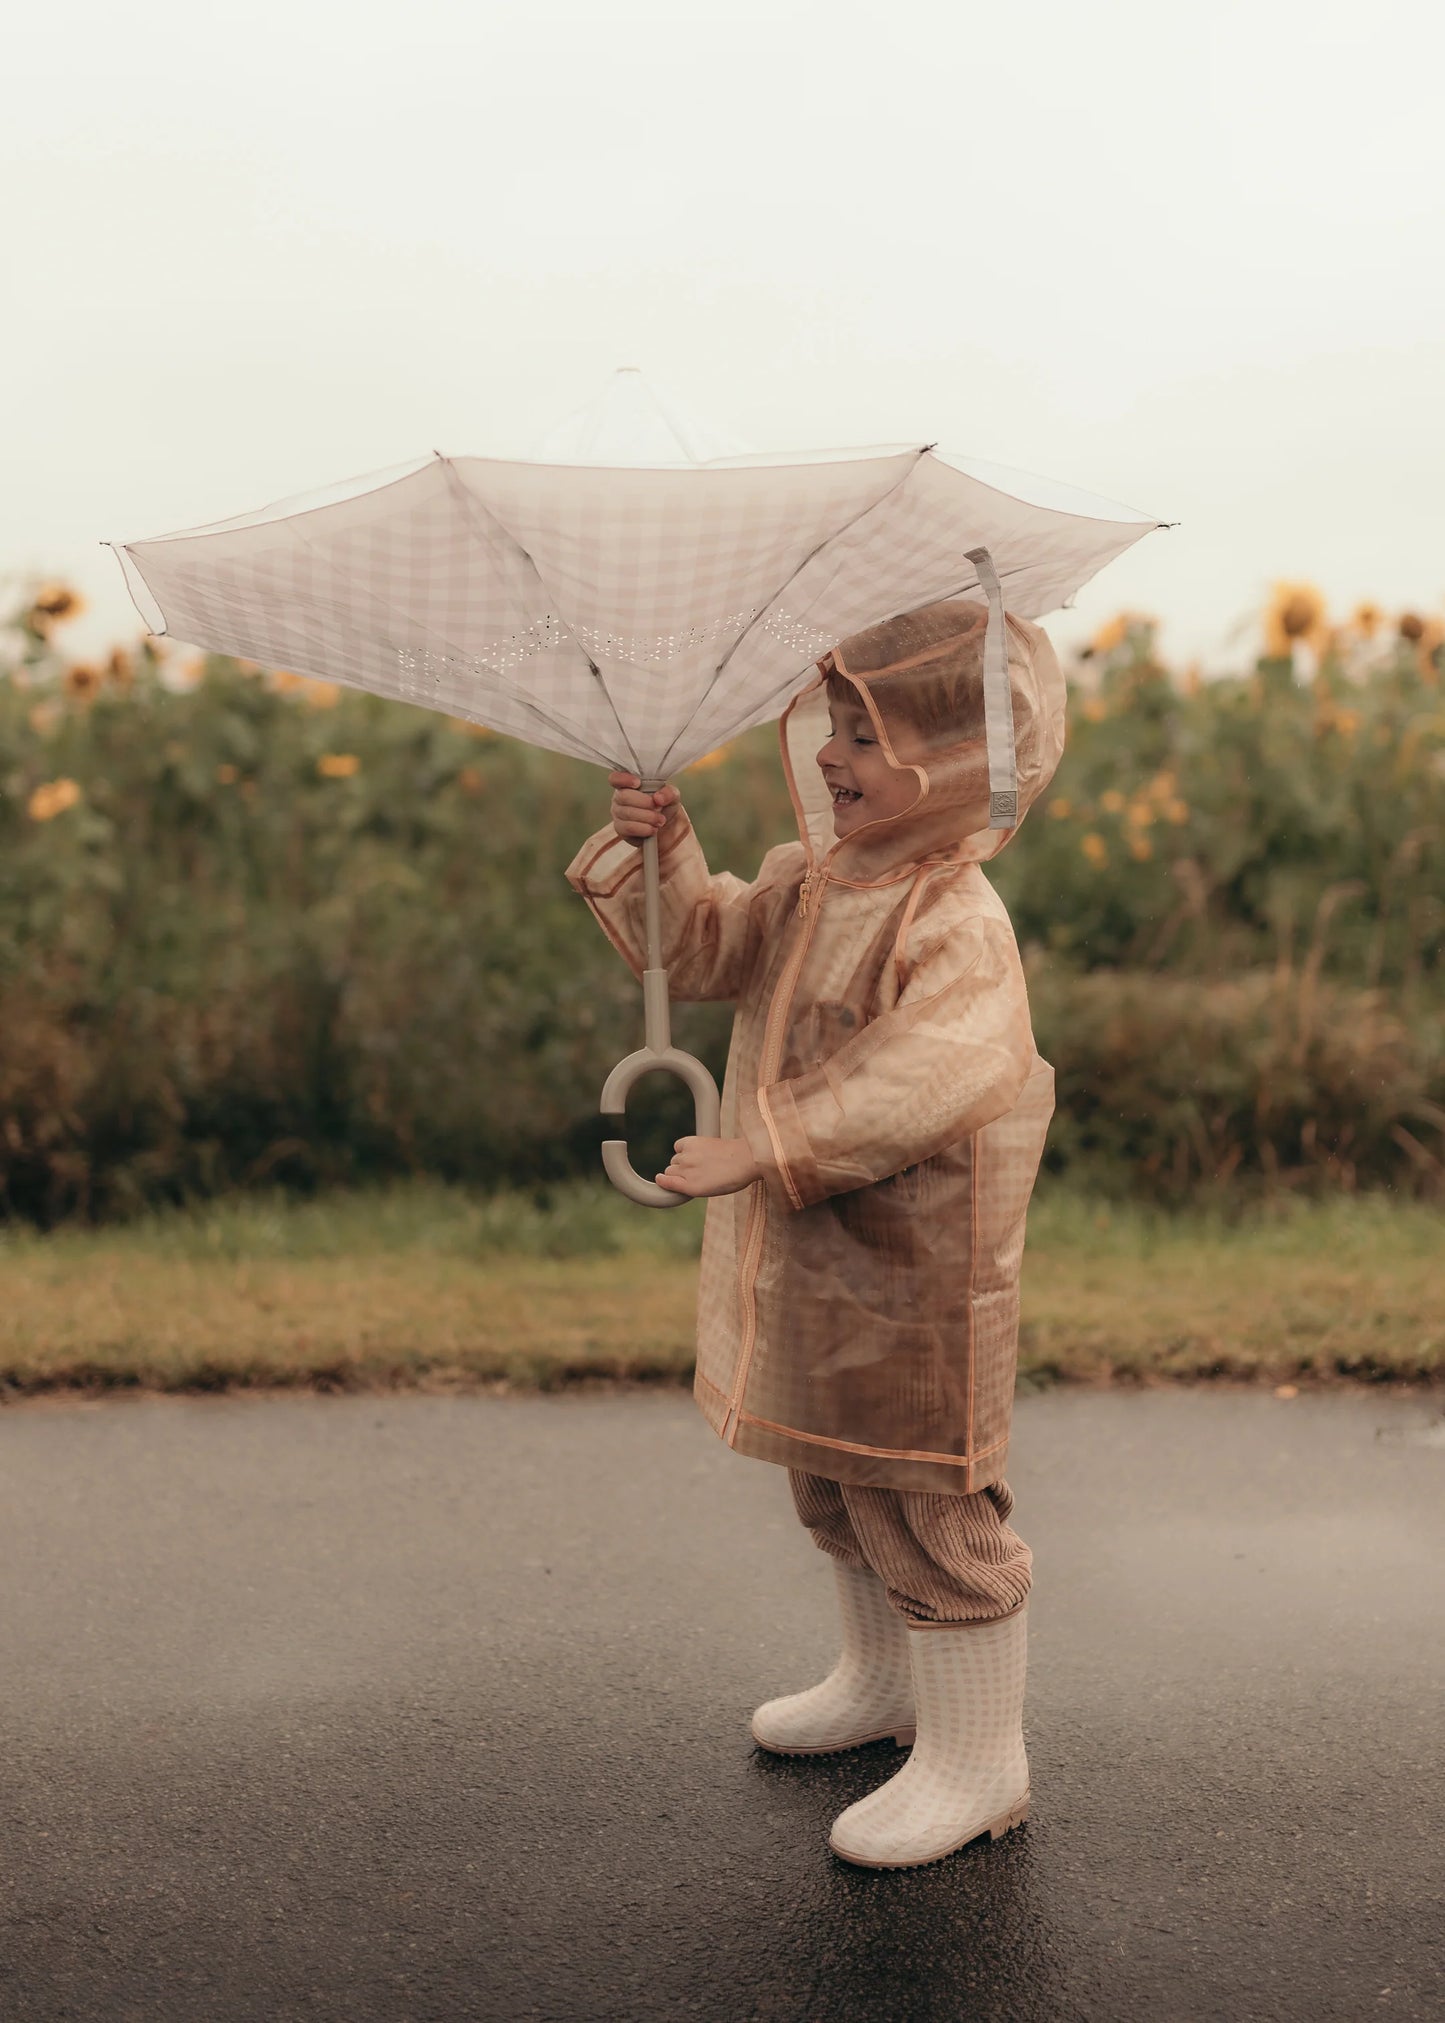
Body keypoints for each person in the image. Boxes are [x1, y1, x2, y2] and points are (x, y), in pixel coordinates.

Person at [564, 598, 1064, 1870]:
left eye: (864, 731)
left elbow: (939, 1069)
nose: (830, 752)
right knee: (833, 1473)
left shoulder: (953, 917)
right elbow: (707, 944)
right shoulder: (812, 879)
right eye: (830, 724)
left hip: (913, 1270)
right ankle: (882, 1681)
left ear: (951, 758)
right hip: (814, 1264)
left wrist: (767, 1145)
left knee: (920, 1491)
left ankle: (975, 1755)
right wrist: (665, 852)